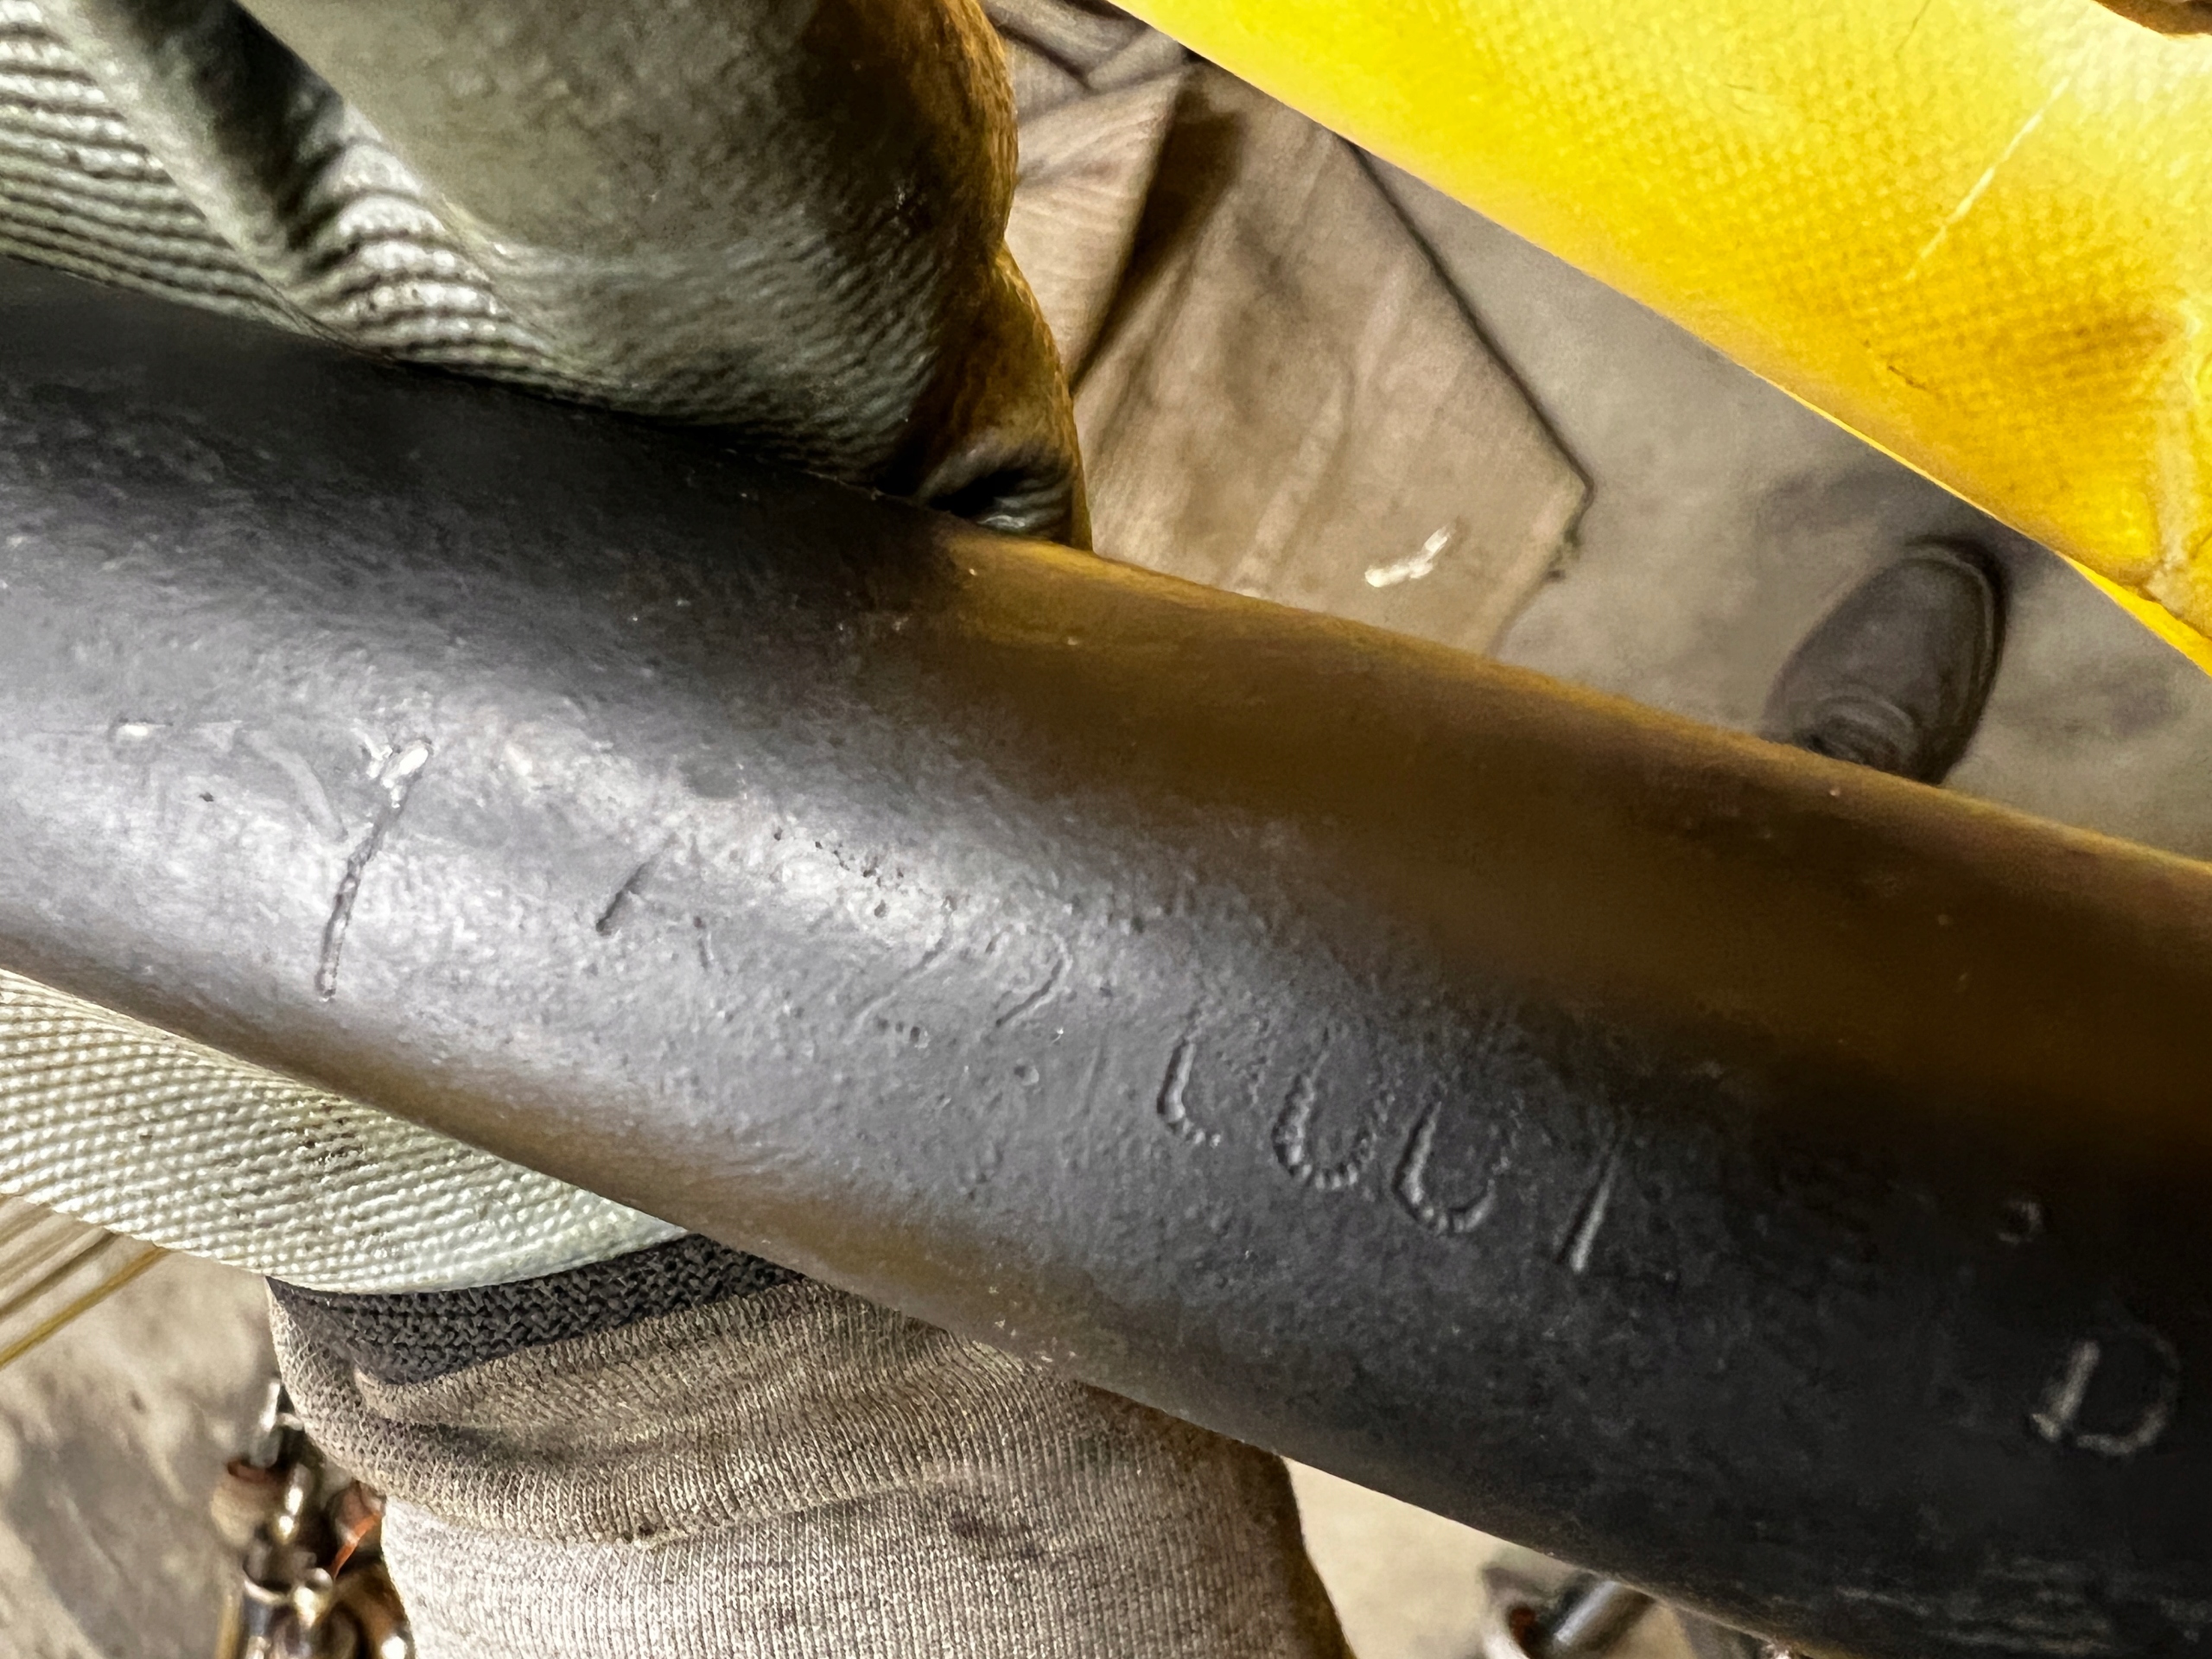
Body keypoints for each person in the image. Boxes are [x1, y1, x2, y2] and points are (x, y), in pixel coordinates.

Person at [0, 2, 2007, 1654]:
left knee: (1559, 1061)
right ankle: (1823, 999)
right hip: (688, 1190)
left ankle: (1810, 924)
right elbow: (688, 138)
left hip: (730, 885)